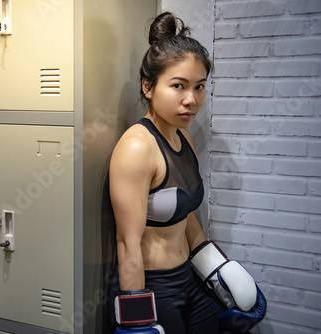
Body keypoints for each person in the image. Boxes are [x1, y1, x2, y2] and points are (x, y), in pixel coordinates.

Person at [108, 12, 266, 334]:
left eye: (199, 87)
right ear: (148, 87)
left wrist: (214, 267)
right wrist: (138, 318)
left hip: (189, 277)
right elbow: (127, 242)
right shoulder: (137, 148)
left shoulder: (185, 137)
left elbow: (185, 212)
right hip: (153, 286)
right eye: (178, 86)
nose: (191, 100)